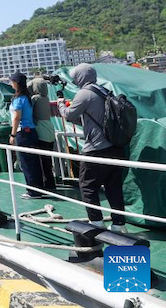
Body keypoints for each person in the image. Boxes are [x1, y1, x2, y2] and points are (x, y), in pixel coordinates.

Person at [57, 63, 127, 232]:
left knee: (87, 185)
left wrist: (60, 103)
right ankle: (119, 224)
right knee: (113, 187)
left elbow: (68, 115)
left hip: (96, 149)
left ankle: (96, 221)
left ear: (81, 77)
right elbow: (88, 118)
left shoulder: (84, 94)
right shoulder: (103, 91)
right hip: (115, 148)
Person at [8, 72, 44, 199]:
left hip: (23, 133)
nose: (10, 83)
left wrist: (12, 135)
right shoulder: (26, 97)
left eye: (12, 81)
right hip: (30, 132)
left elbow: (17, 118)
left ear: (16, 83)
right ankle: (38, 189)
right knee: (33, 161)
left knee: (27, 163)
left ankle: (33, 192)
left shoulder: (19, 99)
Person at [29, 77, 57, 191]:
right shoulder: (46, 98)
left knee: (42, 161)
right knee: (48, 160)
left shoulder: (35, 98)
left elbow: (28, 111)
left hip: (41, 131)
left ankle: (46, 184)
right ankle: (51, 183)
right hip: (50, 130)